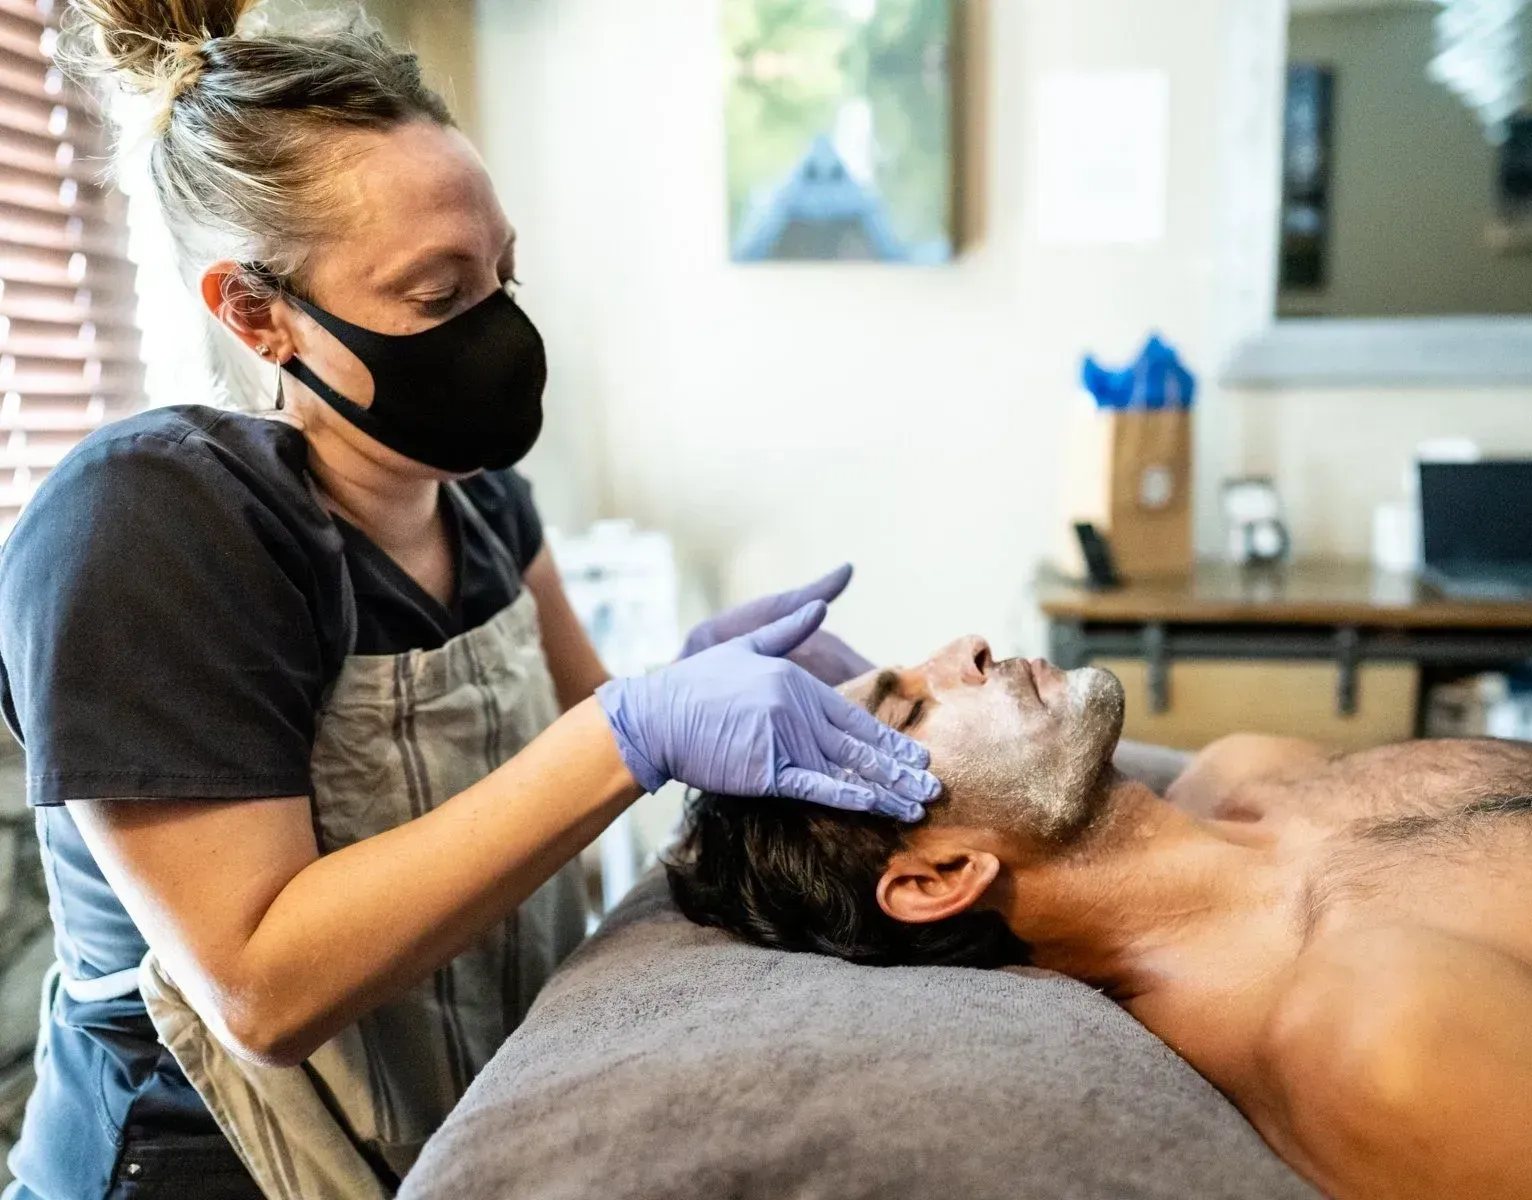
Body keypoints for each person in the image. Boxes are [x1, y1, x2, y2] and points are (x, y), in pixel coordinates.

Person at [0, 4, 942, 1197]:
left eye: (503, 274)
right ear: (257, 311)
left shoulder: (482, 502)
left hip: (471, 1116)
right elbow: (260, 987)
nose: (499, 329)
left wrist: (695, 685)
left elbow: (571, 732)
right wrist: (635, 728)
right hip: (205, 1165)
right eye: (440, 299)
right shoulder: (148, 528)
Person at [668, 636, 1532, 1199]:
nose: (963, 648)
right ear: (935, 876)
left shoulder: (1250, 777)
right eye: (911, 703)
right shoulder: (1379, 1032)